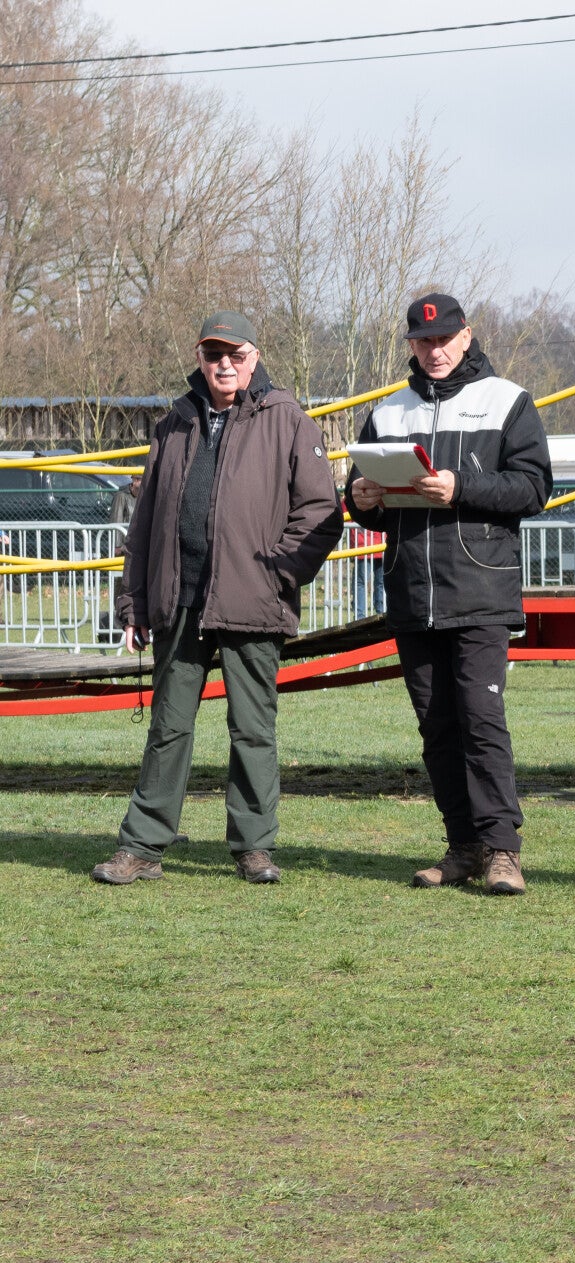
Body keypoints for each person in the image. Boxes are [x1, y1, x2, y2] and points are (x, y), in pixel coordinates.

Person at [94, 312, 343, 886]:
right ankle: (142, 847)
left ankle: (254, 848)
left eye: (234, 354)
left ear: (255, 357)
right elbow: (145, 523)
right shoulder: (173, 423)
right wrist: (133, 603)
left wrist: (279, 573)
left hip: (251, 603)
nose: (224, 364)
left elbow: (321, 513)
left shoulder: (288, 420)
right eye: (213, 355)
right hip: (179, 602)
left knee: (252, 730)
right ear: (200, 359)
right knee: (167, 728)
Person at [344, 293, 553, 895]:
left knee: (481, 721)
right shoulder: (388, 413)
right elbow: (365, 500)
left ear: (466, 336)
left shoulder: (508, 401)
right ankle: (463, 847)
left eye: (443, 340)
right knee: (436, 729)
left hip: (481, 591)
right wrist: (360, 500)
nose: (434, 351)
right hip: (413, 595)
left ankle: (503, 849)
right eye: (423, 342)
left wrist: (462, 487)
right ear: (411, 345)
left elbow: (534, 488)